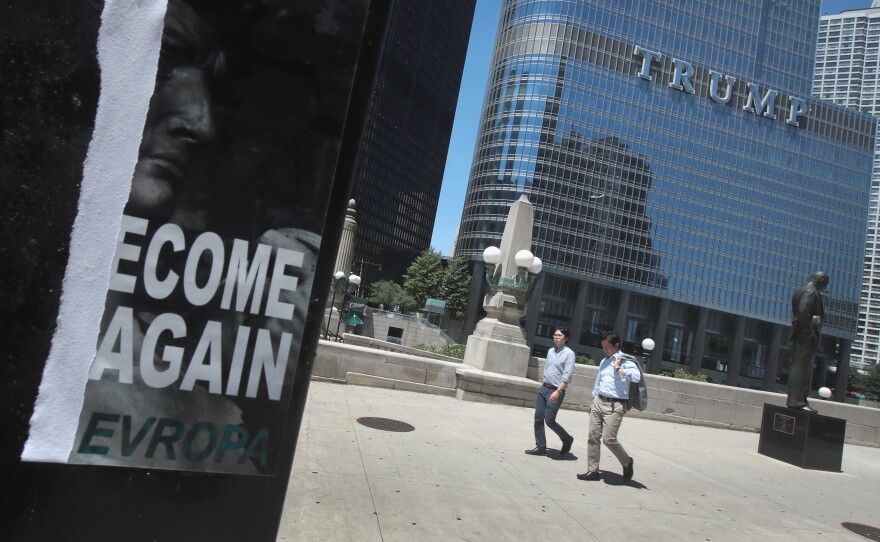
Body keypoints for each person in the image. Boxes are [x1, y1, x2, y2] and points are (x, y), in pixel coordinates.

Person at [578, 330, 639, 481]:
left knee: (609, 439)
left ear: (616, 345)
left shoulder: (626, 361)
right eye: (603, 346)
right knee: (593, 436)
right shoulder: (604, 361)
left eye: (607, 346)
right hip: (599, 401)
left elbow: (636, 377)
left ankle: (627, 462)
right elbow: (599, 382)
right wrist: (593, 401)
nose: (605, 349)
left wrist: (619, 369)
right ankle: (593, 470)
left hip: (615, 405)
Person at [525, 327, 575, 457]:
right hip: (544, 388)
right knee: (538, 418)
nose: (556, 338)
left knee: (549, 420)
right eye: (555, 335)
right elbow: (547, 367)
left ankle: (567, 439)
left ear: (566, 338)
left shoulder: (569, 354)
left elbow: (567, 375)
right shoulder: (551, 351)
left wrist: (558, 391)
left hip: (555, 390)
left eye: (560, 336)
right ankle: (540, 446)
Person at [786, 272, 829, 412]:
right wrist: (808, 331)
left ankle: (799, 400)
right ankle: (796, 402)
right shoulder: (811, 292)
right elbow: (803, 311)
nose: (825, 287)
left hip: (801, 334)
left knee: (801, 367)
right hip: (805, 336)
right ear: (821, 281)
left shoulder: (802, 290)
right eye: (825, 284)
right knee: (801, 368)